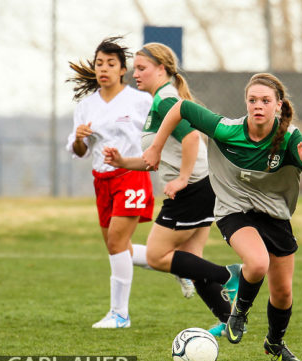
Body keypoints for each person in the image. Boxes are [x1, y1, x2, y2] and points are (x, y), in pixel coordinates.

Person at [142, 73, 302, 361]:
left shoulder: (290, 137)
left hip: (275, 215)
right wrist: (155, 146)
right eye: (252, 100)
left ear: (279, 106)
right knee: (257, 262)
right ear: (246, 103)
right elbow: (179, 108)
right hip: (234, 210)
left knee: (283, 293)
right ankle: (238, 314)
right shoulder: (226, 130)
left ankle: (274, 343)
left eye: (266, 101)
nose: (258, 106)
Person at [102, 42, 240, 337]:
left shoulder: (165, 101)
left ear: (162, 69)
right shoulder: (162, 100)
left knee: (156, 255)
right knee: (192, 260)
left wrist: (181, 178)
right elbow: (153, 159)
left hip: (192, 189)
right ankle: (230, 319)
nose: (135, 74)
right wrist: (122, 161)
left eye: (142, 68)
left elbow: (191, 139)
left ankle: (229, 275)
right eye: (135, 68)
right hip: (203, 187)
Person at [66, 37, 154, 328]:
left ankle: (120, 314)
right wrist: (79, 138)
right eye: (99, 63)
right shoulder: (86, 106)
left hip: (131, 175)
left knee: (117, 242)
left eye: (110, 64)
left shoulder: (141, 100)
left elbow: (163, 129)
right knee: (119, 247)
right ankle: (177, 264)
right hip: (102, 180)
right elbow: (80, 152)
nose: (103, 68)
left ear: (123, 70)